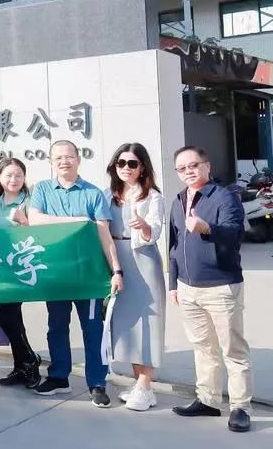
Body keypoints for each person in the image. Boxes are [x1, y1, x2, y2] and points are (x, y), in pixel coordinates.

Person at [27, 140, 121, 408]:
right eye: (58, 157)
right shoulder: (43, 189)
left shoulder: (93, 193)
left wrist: (116, 269)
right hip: (56, 273)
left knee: (92, 328)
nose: (64, 161)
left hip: (88, 275)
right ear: (51, 161)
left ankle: (97, 382)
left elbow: (104, 234)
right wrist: (78, 221)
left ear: (78, 159)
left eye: (69, 156)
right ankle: (59, 376)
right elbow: (35, 220)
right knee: (57, 326)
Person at [169, 146, 252, 433]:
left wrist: (207, 228)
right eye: (182, 168)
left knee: (233, 350)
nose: (188, 171)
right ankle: (208, 400)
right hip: (188, 288)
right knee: (203, 348)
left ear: (207, 166)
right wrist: (174, 283)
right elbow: (174, 245)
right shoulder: (179, 199)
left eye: (194, 165)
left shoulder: (224, 197)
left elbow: (235, 233)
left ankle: (241, 407)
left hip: (221, 286)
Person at [104, 143, 166, 413]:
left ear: (142, 168)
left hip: (143, 259)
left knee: (148, 323)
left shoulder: (152, 196)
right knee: (127, 324)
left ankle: (144, 384)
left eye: (132, 163)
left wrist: (143, 225)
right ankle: (142, 387)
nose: (126, 168)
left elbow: (156, 231)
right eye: (121, 163)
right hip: (116, 259)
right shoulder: (108, 195)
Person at [0, 158, 41, 389]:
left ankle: (29, 360)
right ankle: (22, 365)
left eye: (18, 175)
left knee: (6, 315)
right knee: (12, 317)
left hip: (21, 268)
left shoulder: (29, 200)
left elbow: (41, 234)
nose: (13, 179)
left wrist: (24, 221)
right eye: (8, 175)